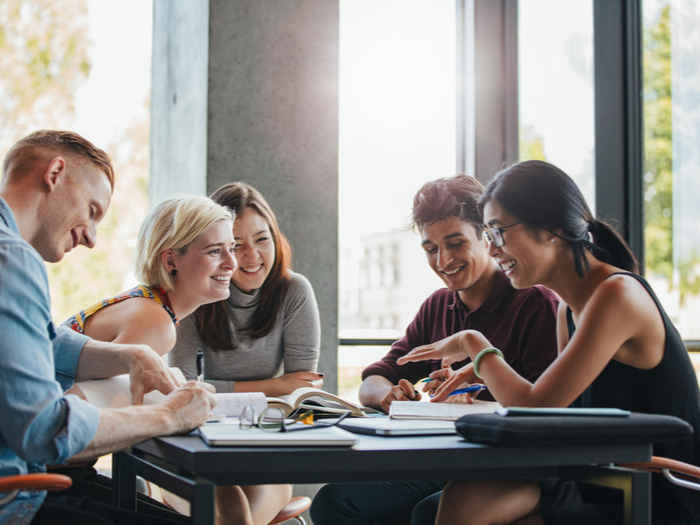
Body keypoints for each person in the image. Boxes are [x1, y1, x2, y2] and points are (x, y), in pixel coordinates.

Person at [398, 160, 700, 525]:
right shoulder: (569, 310)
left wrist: (474, 345)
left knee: (466, 502)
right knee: (459, 498)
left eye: (498, 233)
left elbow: (534, 408)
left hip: (654, 489)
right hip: (604, 476)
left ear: (551, 229)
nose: (493, 250)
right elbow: (554, 418)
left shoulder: (617, 295)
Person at [310, 174, 560, 525]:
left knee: (428, 513)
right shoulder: (438, 306)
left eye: (456, 244)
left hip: (514, 467)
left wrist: (478, 405)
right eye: (431, 249)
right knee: (335, 502)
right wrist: (389, 396)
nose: (443, 260)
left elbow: (545, 411)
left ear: (486, 238)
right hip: (449, 462)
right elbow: (374, 379)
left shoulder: (534, 303)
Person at [0, 130, 215, 525]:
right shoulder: (12, 258)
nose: (92, 239)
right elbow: (44, 429)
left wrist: (130, 355)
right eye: (92, 210)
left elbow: (39, 343)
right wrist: (169, 415)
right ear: (55, 173)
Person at [168, 182, 321, 523]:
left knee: (238, 517)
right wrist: (273, 386)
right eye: (236, 246)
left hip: (264, 449)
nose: (252, 257)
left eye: (262, 239)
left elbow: (301, 392)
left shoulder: (294, 291)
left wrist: (228, 389)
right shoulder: (193, 295)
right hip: (198, 448)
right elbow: (183, 391)